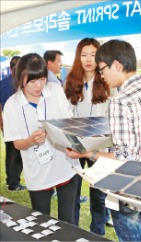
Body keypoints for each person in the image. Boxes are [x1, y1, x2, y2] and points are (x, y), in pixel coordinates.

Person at [66, 39, 141, 242]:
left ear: (117, 65)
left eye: (103, 68)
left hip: (127, 188)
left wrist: (86, 154)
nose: (101, 74)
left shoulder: (120, 102)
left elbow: (123, 157)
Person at [3, 53, 80, 224]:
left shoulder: (55, 91)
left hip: (65, 164)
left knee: (68, 223)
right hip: (38, 171)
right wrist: (30, 140)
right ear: (20, 78)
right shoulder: (12, 105)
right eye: (32, 81)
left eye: (43, 79)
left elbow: (68, 123)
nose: (39, 85)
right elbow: (17, 144)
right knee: (41, 221)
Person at [64, 37, 115, 236]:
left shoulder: (107, 81)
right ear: (78, 57)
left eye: (93, 55)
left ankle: (97, 232)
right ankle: (72, 230)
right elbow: (65, 114)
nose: (88, 59)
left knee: (98, 192)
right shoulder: (70, 81)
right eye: (84, 55)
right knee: (72, 191)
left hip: (99, 146)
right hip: (75, 145)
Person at [0, 55, 25, 191]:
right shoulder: (20, 83)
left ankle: (10, 180)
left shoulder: (2, 83)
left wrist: (1, 120)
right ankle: (14, 183)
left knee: (10, 151)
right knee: (17, 153)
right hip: (17, 123)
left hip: (6, 123)